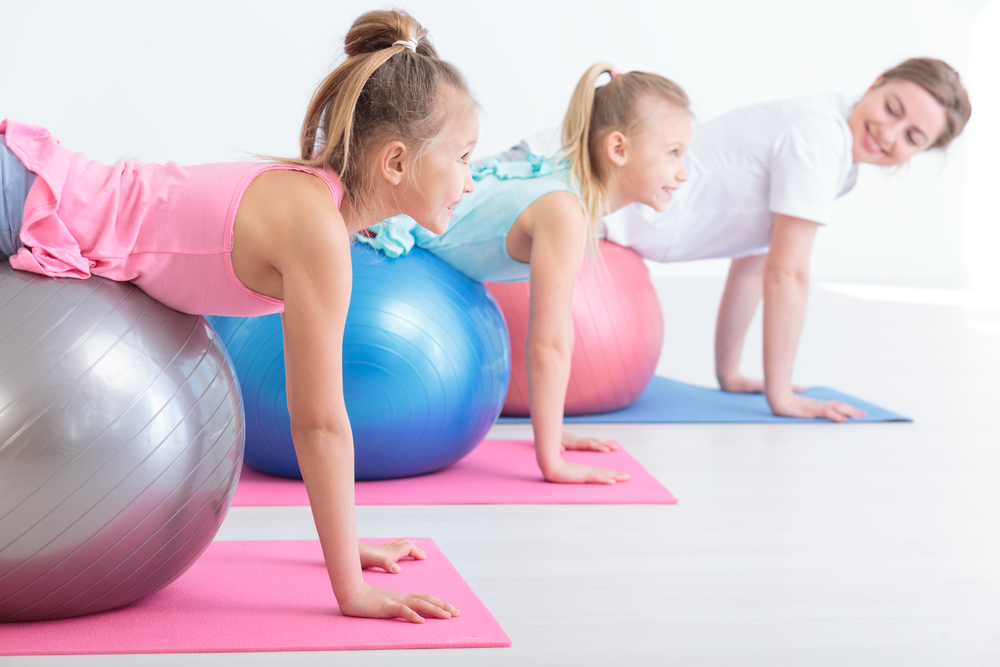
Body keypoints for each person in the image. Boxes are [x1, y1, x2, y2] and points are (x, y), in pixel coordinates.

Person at [0, 10, 476, 623]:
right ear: (395, 162)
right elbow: (320, 423)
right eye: (463, 157)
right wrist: (349, 592)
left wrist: (345, 545)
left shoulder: (310, 206)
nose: (469, 179)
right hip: (20, 194)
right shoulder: (317, 231)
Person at [504, 58, 971, 422]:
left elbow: (752, 258)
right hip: (551, 180)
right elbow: (786, 273)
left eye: (912, 136)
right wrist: (780, 393)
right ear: (876, 83)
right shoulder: (821, 135)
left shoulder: (838, 159)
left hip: (583, 207)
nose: (889, 133)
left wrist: (729, 375)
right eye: (892, 108)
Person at [359, 63, 692, 484]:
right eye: (674, 153)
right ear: (619, 149)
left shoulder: (569, 195)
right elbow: (548, 343)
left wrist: (554, 432)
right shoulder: (565, 210)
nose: (683, 172)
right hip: (379, 232)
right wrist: (550, 459)